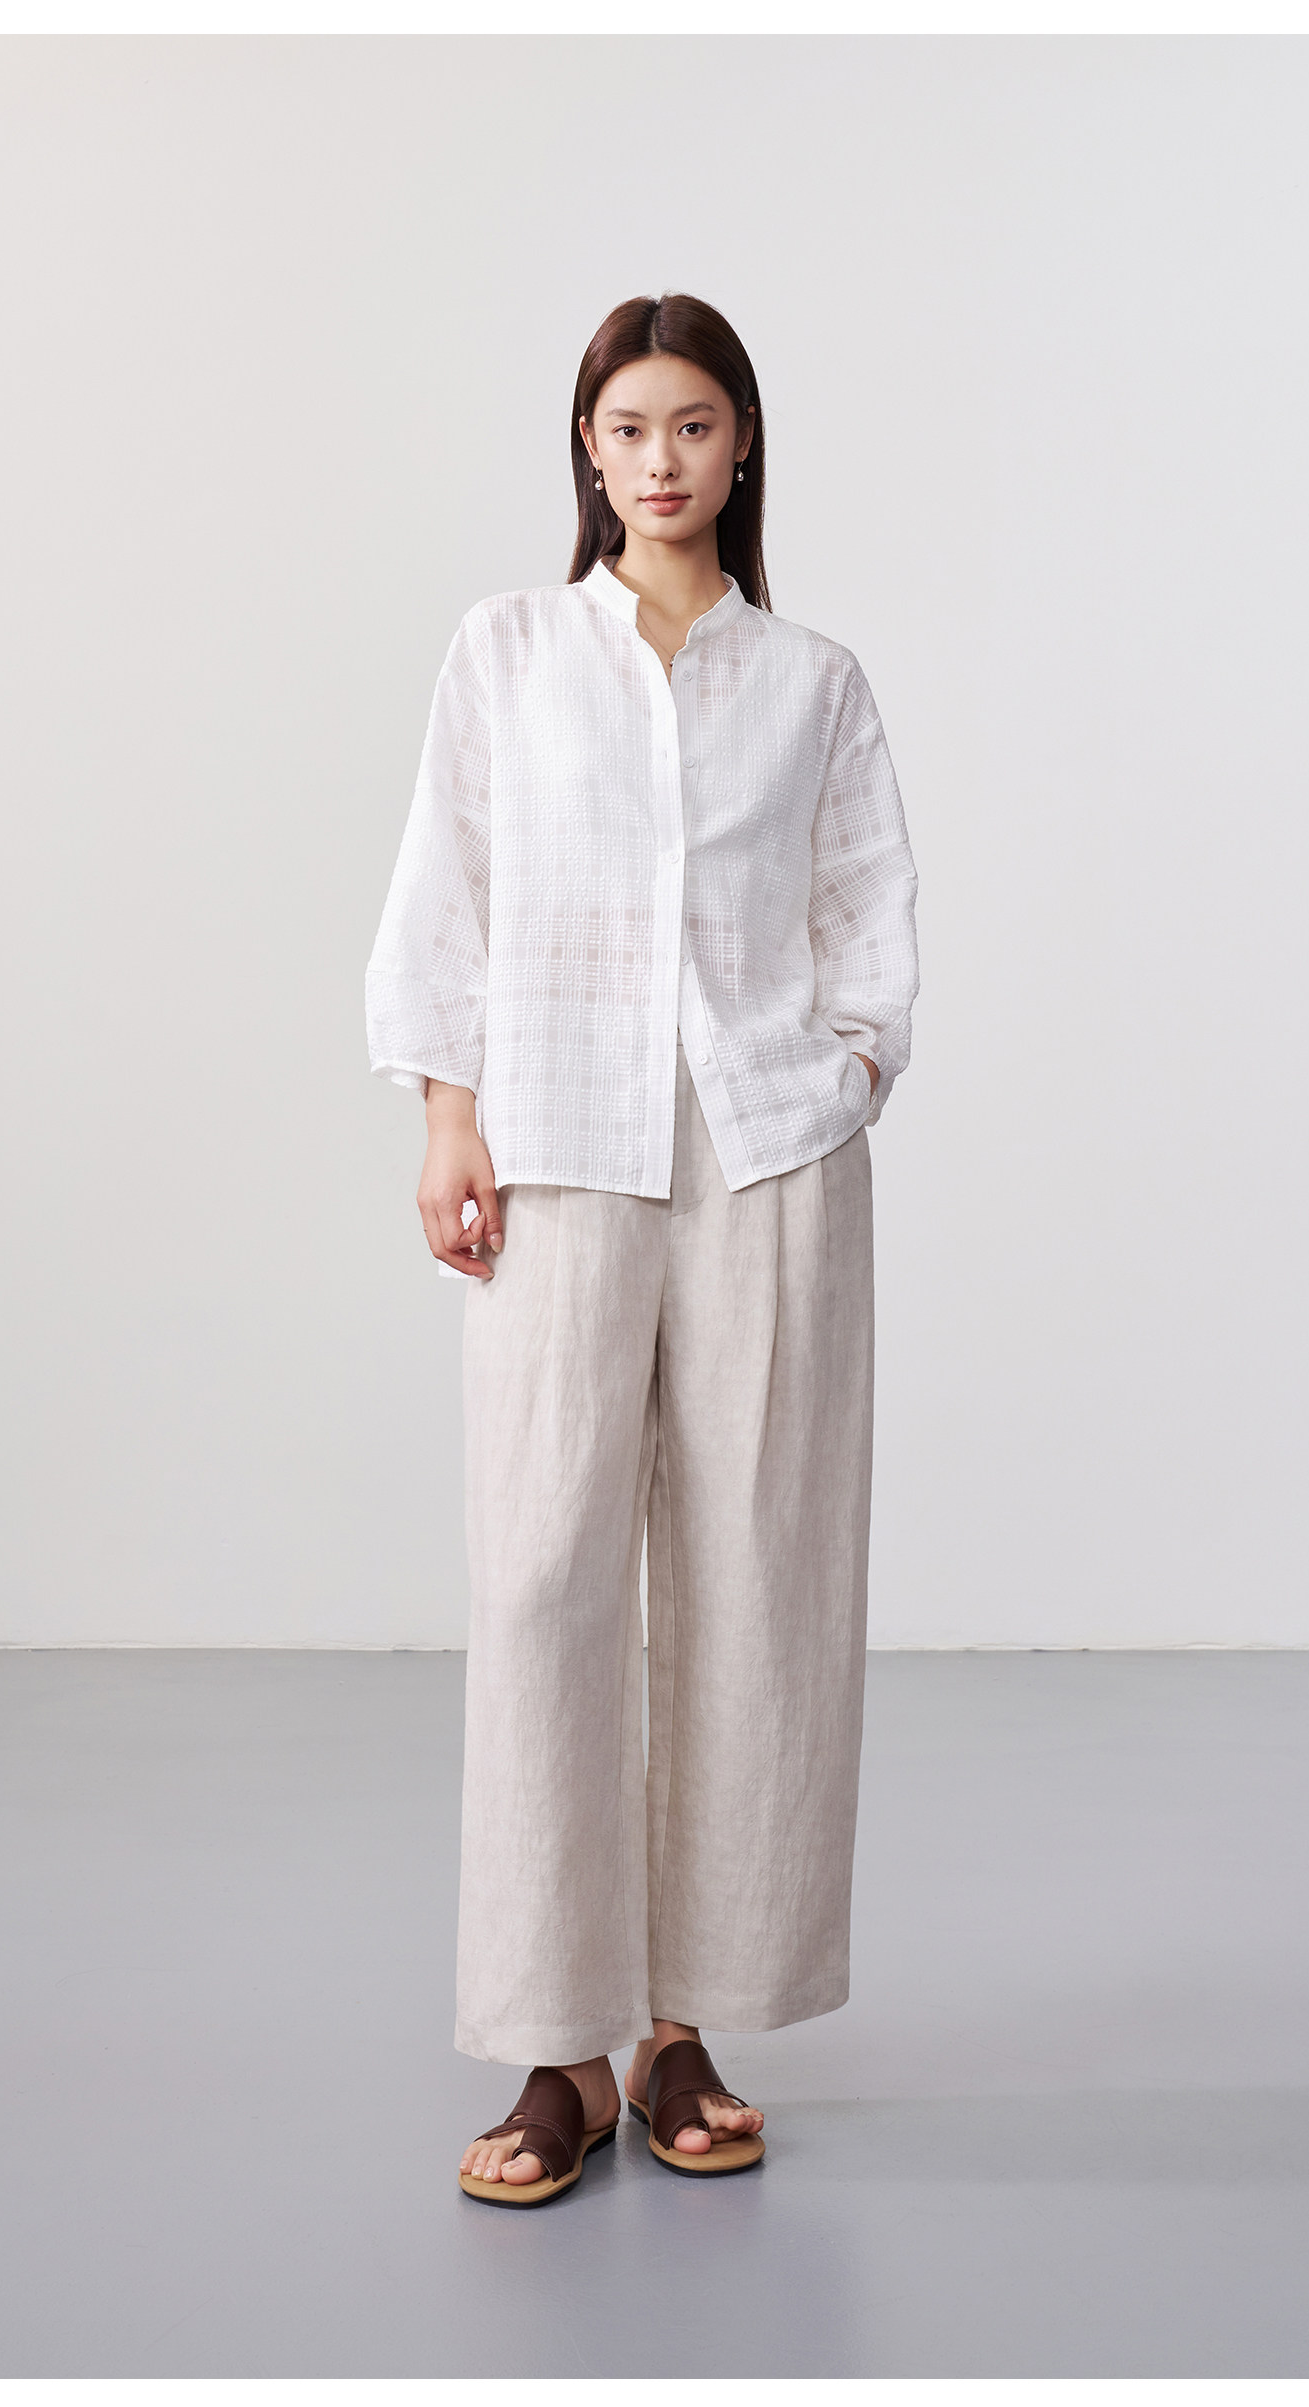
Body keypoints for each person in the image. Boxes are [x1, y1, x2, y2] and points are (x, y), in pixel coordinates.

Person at [365, 292, 920, 2205]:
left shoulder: (815, 681)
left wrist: (844, 1074)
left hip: (767, 1159)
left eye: (693, 424)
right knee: (545, 1576)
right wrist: (448, 1113)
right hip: (559, 1151)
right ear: (588, 454)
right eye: (627, 428)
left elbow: (869, 912)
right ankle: (558, 2047)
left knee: (757, 1574)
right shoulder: (508, 653)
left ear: (740, 444)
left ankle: (684, 2030)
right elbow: (448, 889)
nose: (661, 459)